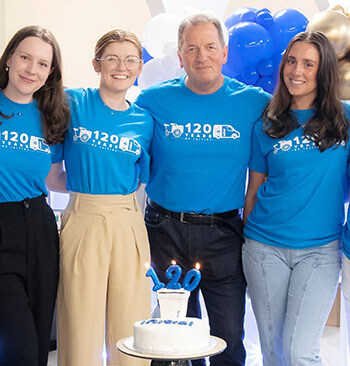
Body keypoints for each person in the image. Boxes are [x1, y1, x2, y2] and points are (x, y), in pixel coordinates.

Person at [135, 12, 270, 366]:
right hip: (165, 231)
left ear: (225, 53)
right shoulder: (152, 101)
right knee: (171, 342)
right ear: (179, 56)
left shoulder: (255, 102)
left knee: (228, 337)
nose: (201, 56)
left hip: (224, 233)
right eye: (191, 48)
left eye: (210, 47)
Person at [242, 31, 350, 366]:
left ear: (324, 71)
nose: (296, 71)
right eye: (291, 61)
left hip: (320, 251)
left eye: (308, 64)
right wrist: (247, 235)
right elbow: (254, 189)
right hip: (264, 248)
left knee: (300, 351)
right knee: (273, 351)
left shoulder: (345, 118)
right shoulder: (266, 122)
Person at [46, 29, 153, 366]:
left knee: (131, 322)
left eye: (130, 60)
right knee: (79, 321)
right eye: (112, 58)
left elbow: (140, 180)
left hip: (128, 220)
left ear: (139, 68)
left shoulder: (144, 121)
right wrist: (87, 195)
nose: (121, 67)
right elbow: (53, 176)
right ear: (96, 63)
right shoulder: (73, 103)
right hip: (83, 216)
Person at [0, 26, 70, 366]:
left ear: (51, 71)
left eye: (43, 64)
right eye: (25, 58)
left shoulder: (51, 116)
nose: (31, 70)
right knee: (20, 349)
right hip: (2, 225)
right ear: (10, 58)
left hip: (41, 227)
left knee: (41, 341)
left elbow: (55, 178)